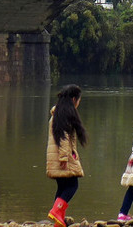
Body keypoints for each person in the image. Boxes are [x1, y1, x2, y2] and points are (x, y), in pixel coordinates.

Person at [46, 84, 87, 227]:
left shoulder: (57, 115)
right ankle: (56, 211)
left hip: (54, 157)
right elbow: (63, 138)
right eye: (79, 100)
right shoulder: (64, 116)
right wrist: (64, 158)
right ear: (74, 99)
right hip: (62, 157)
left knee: (62, 187)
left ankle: (58, 221)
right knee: (72, 186)